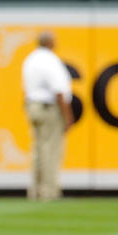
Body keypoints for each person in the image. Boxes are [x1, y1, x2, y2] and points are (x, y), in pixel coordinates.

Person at [22, 31, 74, 201]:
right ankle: (49, 192)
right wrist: (68, 116)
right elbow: (59, 91)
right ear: (50, 43)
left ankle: (35, 191)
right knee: (50, 150)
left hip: (32, 106)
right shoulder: (51, 60)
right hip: (48, 108)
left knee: (38, 150)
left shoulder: (30, 59)